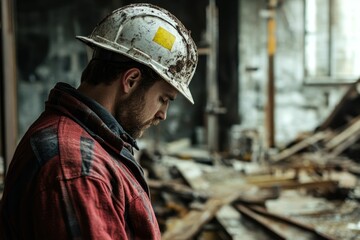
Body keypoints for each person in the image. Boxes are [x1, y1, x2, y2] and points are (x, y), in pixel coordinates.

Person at [0, 3, 198, 240]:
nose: (162, 114)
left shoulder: (89, 146)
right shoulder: (76, 167)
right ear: (132, 80)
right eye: (163, 99)